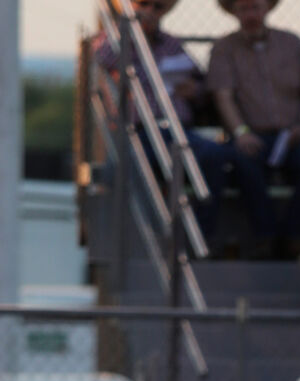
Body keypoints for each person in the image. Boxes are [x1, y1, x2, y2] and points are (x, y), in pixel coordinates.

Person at [93, 0, 237, 245]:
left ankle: (199, 236)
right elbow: (101, 58)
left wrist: (195, 90)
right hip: (136, 132)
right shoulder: (113, 40)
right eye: (144, 4)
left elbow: (200, 80)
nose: (151, 12)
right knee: (134, 166)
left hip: (177, 130)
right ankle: (146, 236)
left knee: (214, 155)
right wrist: (130, 29)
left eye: (158, 6)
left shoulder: (172, 44)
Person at [207, 0, 300, 256]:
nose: (250, 14)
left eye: (255, 7)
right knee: (242, 160)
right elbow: (223, 97)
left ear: (267, 8)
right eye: (243, 8)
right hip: (251, 134)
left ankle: (296, 235)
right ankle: (266, 236)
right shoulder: (223, 49)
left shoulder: (292, 44)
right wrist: (241, 133)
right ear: (233, 11)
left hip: (292, 134)